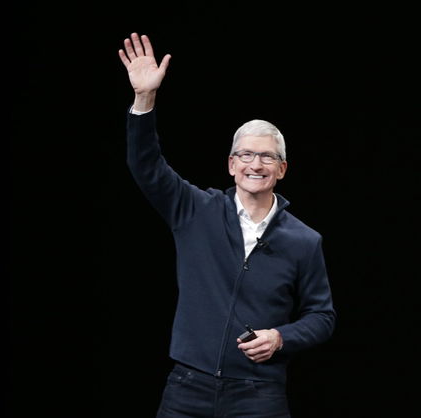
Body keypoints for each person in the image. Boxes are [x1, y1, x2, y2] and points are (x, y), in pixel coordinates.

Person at [119, 32, 336, 418]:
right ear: (231, 164)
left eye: (268, 157)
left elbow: (322, 317)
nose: (256, 164)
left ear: (282, 169)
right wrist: (144, 99)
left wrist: (280, 337)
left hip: (258, 393)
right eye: (246, 155)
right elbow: (147, 166)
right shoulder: (196, 210)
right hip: (188, 387)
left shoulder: (304, 240)